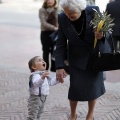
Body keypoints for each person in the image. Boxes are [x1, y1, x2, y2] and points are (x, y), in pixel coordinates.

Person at [55, 0, 111, 120]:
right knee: (75, 88)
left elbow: (107, 32)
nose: (68, 16)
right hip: (76, 58)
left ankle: (90, 114)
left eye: (71, 13)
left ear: (80, 9)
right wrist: (59, 66)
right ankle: (73, 114)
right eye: (65, 13)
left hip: (94, 57)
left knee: (93, 87)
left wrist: (102, 35)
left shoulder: (94, 11)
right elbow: (60, 42)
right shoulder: (62, 18)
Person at [27, 56, 59, 120]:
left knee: (39, 114)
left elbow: (50, 82)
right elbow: (36, 83)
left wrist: (58, 78)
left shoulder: (42, 74)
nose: (43, 61)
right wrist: (42, 77)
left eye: (43, 60)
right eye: (39, 60)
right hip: (35, 98)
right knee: (33, 115)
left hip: (43, 98)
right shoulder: (35, 75)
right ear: (34, 67)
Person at [39, 0, 58, 72]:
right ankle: (45, 68)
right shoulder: (42, 10)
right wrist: (54, 28)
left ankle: (54, 68)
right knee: (46, 51)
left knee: (54, 51)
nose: (50, 1)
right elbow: (43, 22)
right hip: (45, 33)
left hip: (55, 33)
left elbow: (58, 21)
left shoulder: (56, 10)